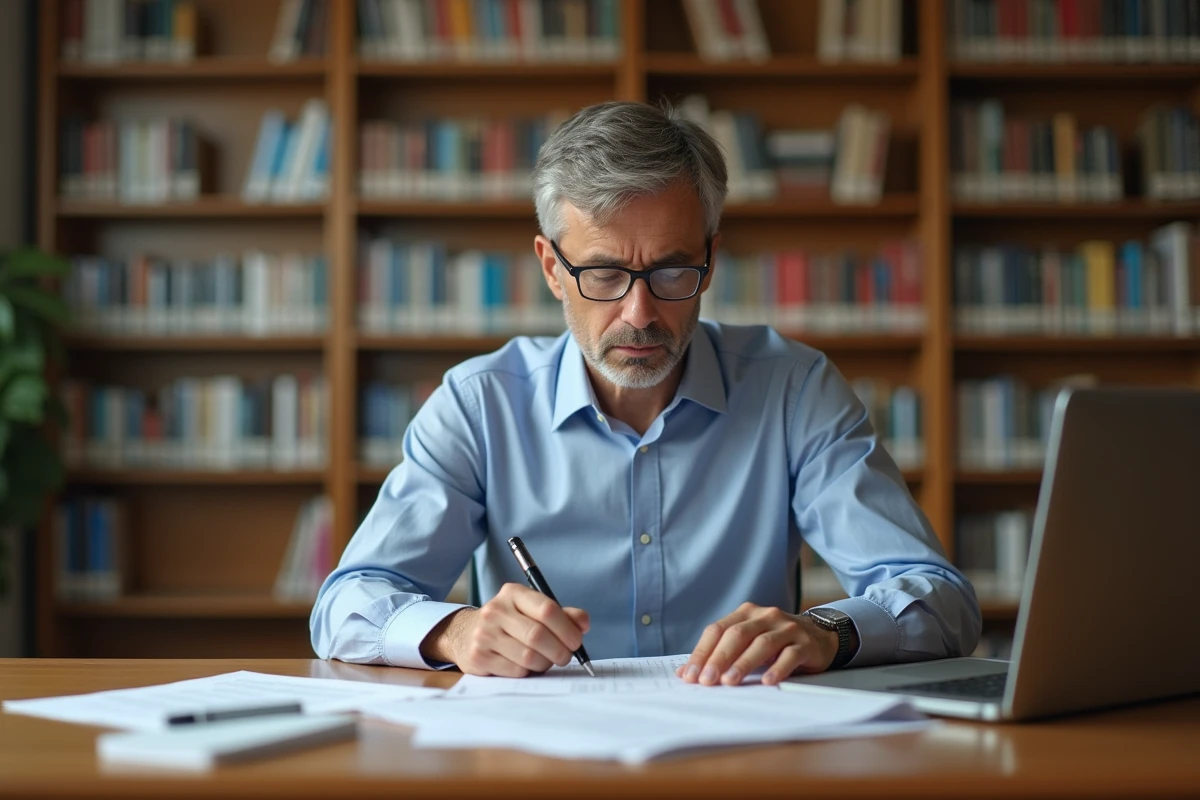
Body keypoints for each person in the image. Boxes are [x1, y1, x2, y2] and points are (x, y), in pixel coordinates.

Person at [311, 101, 980, 687]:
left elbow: (944, 602)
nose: (639, 314)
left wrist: (828, 631)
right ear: (552, 268)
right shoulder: (478, 406)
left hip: (742, 751)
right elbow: (345, 606)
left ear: (709, 262)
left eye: (671, 270)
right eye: (603, 274)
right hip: (538, 757)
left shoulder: (794, 390)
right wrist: (455, 632)